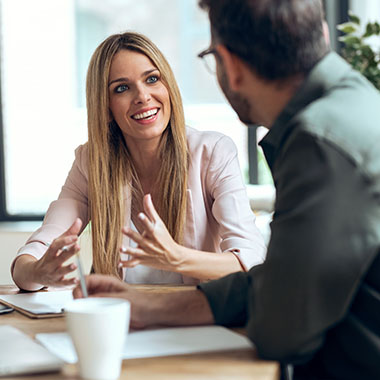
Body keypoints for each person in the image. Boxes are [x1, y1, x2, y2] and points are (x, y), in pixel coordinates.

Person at [73, 1, 380, 379]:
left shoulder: (318, 143)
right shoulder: (358, 106)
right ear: (324, 35)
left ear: (230, 66)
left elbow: (281, 331)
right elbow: (281, 282)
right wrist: (151, 308)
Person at [11, 32, 266, 291]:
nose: (143, 96)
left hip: (196, 317)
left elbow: (251, 260)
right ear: (106, 107)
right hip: (125, 320)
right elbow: (28, 263)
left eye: (152, 79)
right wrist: (38, 271)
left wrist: (177, 258)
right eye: (122, 88)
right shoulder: (91, 162)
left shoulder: (211, 152)